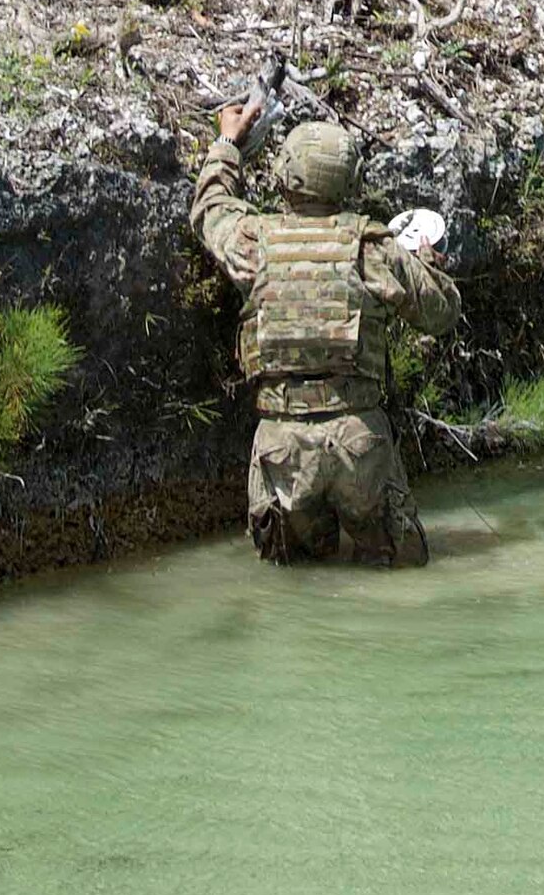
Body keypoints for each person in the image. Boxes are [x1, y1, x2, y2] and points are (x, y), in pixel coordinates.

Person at [191, 109, 461, 566]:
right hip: (360, 442)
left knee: (295, 578)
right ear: (350, 180)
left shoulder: (253, 241)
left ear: (284, 175)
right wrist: (427, 263)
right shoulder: (371, 248)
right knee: (399, 569)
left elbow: (210, 208)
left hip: (282, 446)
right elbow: (441, 313)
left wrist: (228, 143)